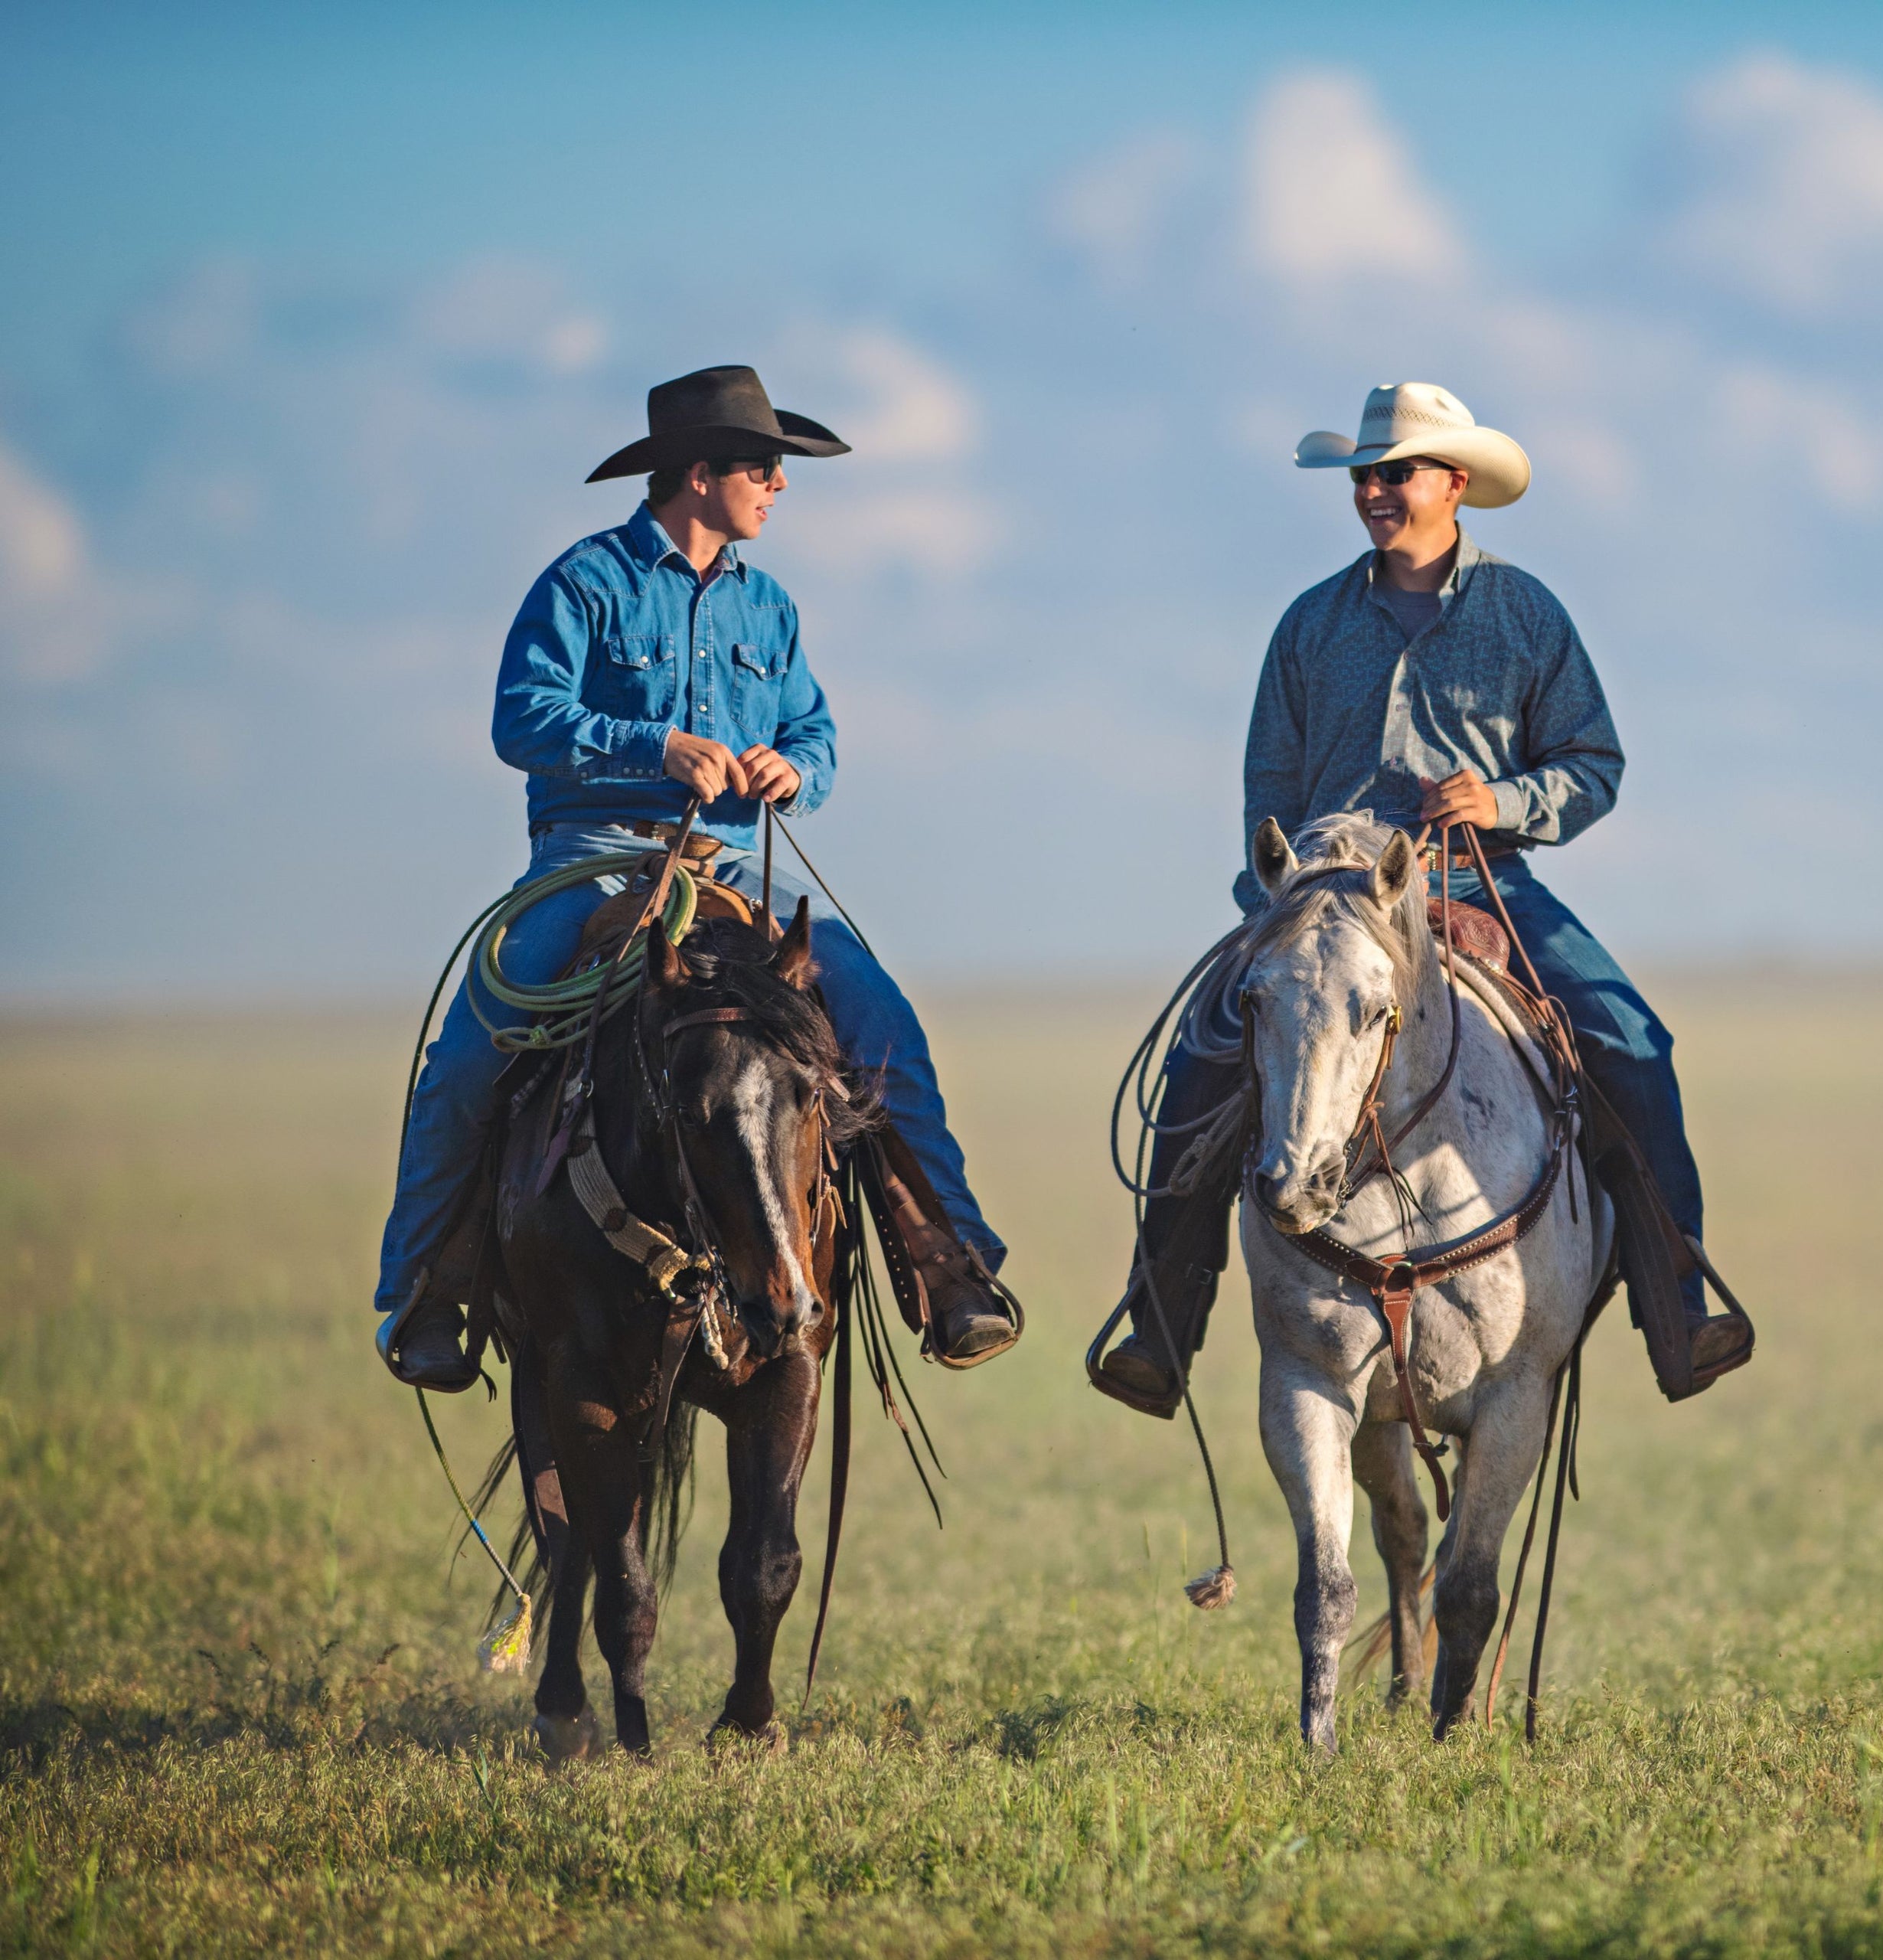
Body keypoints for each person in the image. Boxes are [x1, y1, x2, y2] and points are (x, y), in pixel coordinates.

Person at [1085, 381, 1753, 1417]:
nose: (1375, 490)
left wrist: (1506, 798)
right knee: (1199, 1065)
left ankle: (1677, 1302)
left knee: (1631, 1041)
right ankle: (1161, 1327)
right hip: (1322, 899)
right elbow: (1271, 784)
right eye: (1365, 475)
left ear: (1455, 484)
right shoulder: (1310, 624)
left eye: (1397, 473)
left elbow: (1594, 764)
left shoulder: (1525, 613)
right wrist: (1282, 900)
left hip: (1477, 878)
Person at [374, 365, 1017, 1390]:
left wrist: (792, 767)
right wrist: (656, 745)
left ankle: (950, 1268)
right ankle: (425, 1292)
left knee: (878, 1015)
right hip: (589, 864)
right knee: (466, 1058)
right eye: (764, 466)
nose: (779, 485)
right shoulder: (584, 584)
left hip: (718, 870)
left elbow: (816, 730)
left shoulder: (770, 609)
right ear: (701, 473)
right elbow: (521, 720)